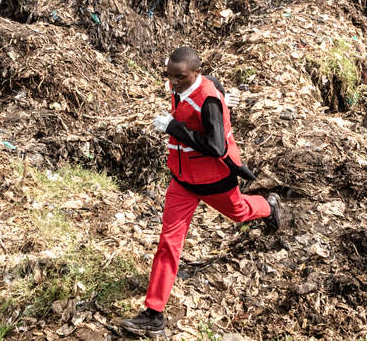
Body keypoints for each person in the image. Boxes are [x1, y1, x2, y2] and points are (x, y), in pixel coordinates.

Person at [118, 47, 281, 336]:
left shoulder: (207, 102)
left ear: (195, 73)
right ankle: (154, 313)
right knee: (168, 242)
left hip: (214, 180)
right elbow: (216, 85)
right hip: (182, 181)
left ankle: (269, 207)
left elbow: (217, 147)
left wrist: (174, 128)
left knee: (240, 212)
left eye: (179, 77)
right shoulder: (188, 84)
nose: (173, 83)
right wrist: (225, 97)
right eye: (169, 76)